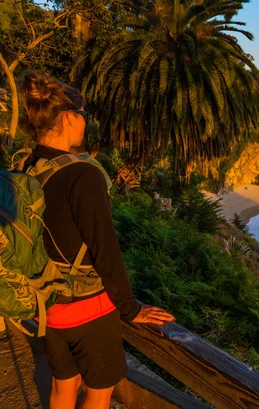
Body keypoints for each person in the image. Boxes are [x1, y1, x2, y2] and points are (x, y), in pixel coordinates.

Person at [19, 71, 175, 409]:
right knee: (98, 392)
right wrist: (131, 308)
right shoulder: (83, 174)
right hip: (90, 308)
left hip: (51, 305)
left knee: (64, 386)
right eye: (83, 116)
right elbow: (105, 250)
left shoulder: (30, 167)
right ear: (69, 117)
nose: (85, 124)